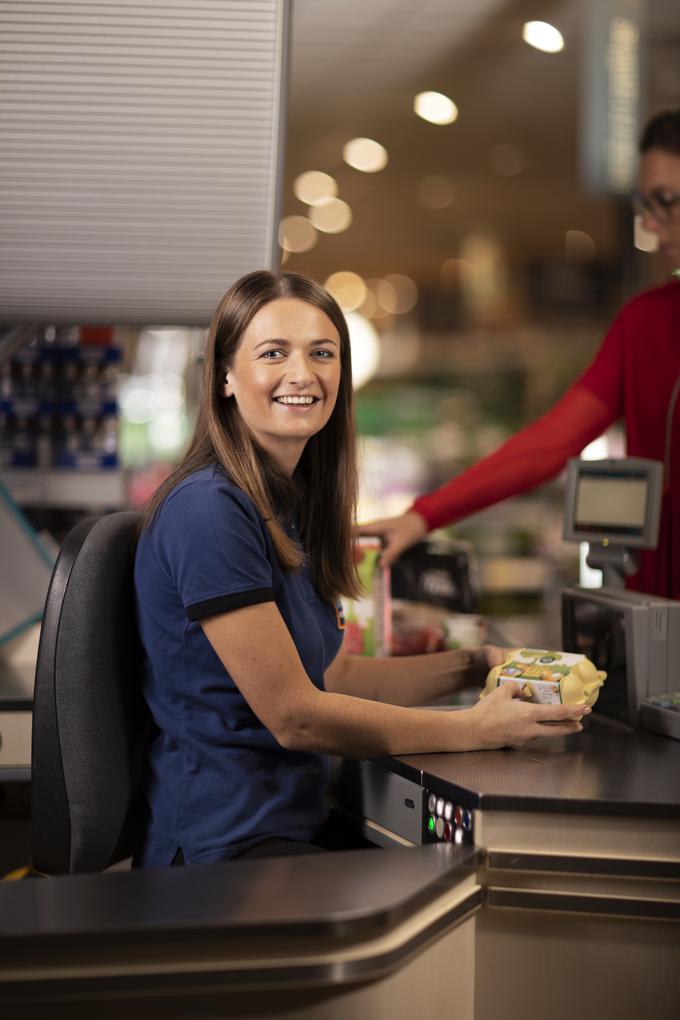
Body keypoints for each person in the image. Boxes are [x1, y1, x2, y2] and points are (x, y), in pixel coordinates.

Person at [133, 270, 589, 867]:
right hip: (221, 850)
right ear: (224, 376)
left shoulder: (283, 504)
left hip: (288, 822)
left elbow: (334, 675)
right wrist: (475, 729)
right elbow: (296, 716)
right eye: (274, 353)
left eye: (322, 353)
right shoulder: (208, 509)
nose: (304, 373)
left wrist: (473, 665)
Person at [360, 109, 680, 601]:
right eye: (645, 204)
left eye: (666, 202)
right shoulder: (644, 322)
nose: (653, 225)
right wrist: (425, 514)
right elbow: (551, 442)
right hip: (653, 609)